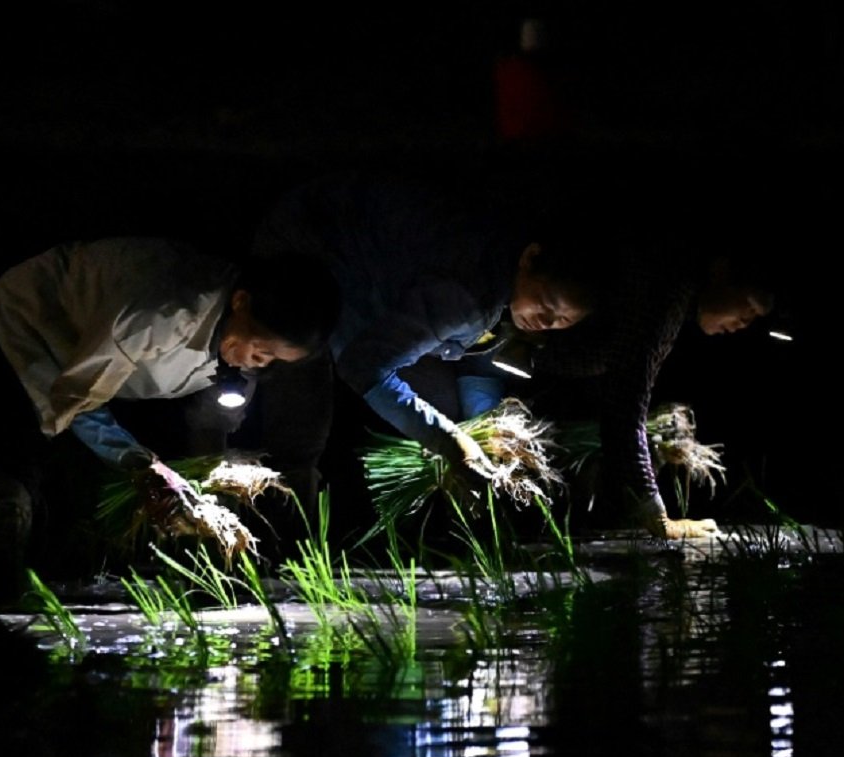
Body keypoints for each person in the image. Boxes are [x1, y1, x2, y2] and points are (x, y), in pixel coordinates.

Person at [0, 236, 340, 602]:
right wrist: (142, 465)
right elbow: (75, 401)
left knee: (95, 481)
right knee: (23, 460)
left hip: (108, 367)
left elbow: (209, 419)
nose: (261, 363)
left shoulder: (231, 333)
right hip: (29, 327)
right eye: (261, 351)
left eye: (273, 360)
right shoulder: (160, 316)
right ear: (241, 302)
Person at [244, 169, 609, 537]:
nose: (546, 321)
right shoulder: (468, 292)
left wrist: (481, 433)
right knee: (303, 414)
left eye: (562, 320)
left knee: (441, 406)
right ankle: (286, 542)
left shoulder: (511, 294)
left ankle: (459, 529)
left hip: (371, 280)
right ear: (530, 258)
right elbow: (364, 364)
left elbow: (478, 368)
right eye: (548, 305)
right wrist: (453, 444)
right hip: (309, 247)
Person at [526, 239, 777, 540]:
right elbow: (624, 405)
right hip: (511, 343)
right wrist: (656, 516)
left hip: (531, 358)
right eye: (748, 305)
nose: (744, 322)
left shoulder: (676, 301)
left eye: (754, 317)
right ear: (721, 272)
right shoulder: (666, 292)